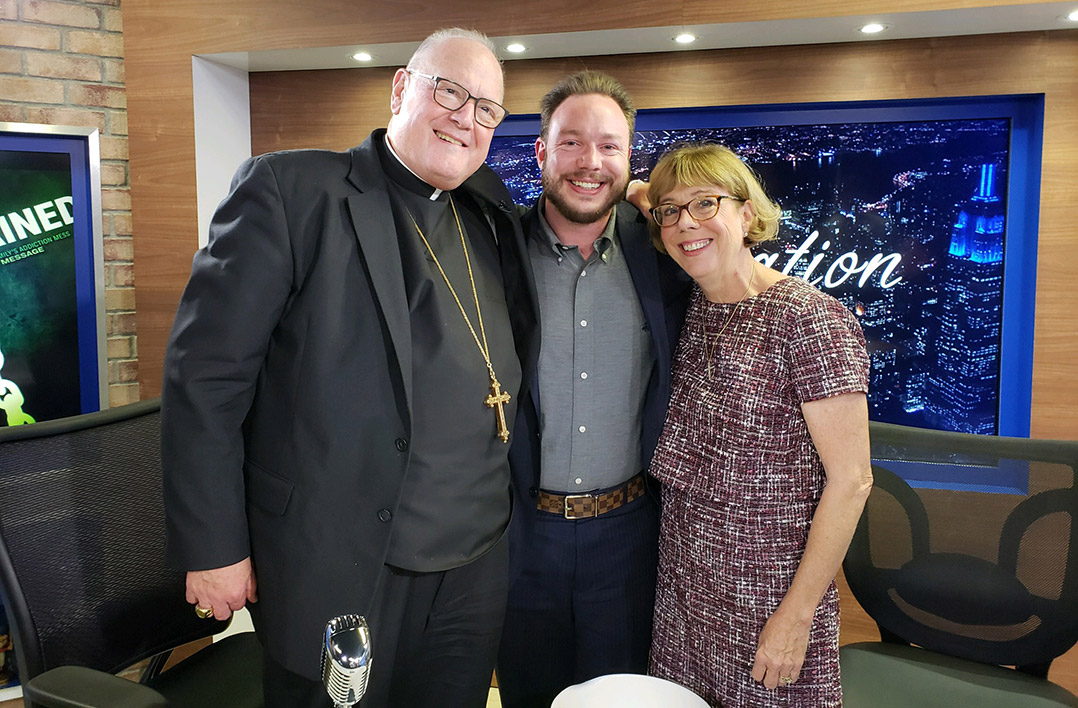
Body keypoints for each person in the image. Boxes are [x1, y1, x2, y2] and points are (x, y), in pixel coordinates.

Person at [161, 28, 538, 708]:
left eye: (487, 108)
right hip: (342, 561)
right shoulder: (290, 192)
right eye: (448, 90)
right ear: (400, 87)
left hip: (474, 567)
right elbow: (204, 381)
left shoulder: (488, 211)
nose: (465, 117)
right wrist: (214, 548)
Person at [643, 143, 873, 707]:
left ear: (747, 213)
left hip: (768, 598)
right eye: (669, 210)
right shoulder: (696, 310)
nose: (685, 222)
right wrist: (642, 193)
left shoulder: (809, 318)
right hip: (684, 593)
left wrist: (795, 618)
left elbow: (853, 480)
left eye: (705, 203)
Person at [496, 71, 689, 708]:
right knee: (529, 692)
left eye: (609, 146)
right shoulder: (493, 252)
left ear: (629, 159)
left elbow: (741, 268)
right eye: (572, 142)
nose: (590, 162)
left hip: (627, 536)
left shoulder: (662, 251)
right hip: (522, 532)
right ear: (541, 152)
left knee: (622, 695)